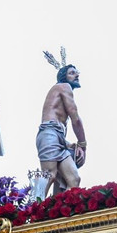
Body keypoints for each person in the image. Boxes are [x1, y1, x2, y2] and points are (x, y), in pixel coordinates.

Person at [36, 64, 87, 197]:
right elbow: (75, 118)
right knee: (49, 175)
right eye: (72, 73)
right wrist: (83, 145)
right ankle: (33, 207)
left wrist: (69, 144)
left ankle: (59, 208)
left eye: (76, 72)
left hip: (57, 137)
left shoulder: (60, 91)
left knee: (74, 180)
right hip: (49, 133)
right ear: (64, 77)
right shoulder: (64, 86)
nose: (77, 75)